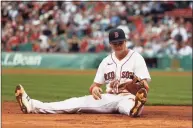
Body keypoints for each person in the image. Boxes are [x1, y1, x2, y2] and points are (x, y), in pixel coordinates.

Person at [15, 28, 151, 117]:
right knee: (74, 103)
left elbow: (146, 87)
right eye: (115, 43)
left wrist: (133, 85)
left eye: (121, 42)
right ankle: (31, 105)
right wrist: (95, 89)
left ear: (126, 41)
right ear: (110, 44)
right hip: (108, 97)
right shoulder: (105, 61)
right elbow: (94, 85)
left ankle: (135, 109)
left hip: (128, 97)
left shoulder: (136, 58)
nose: (118, 45)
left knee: (128, 106)